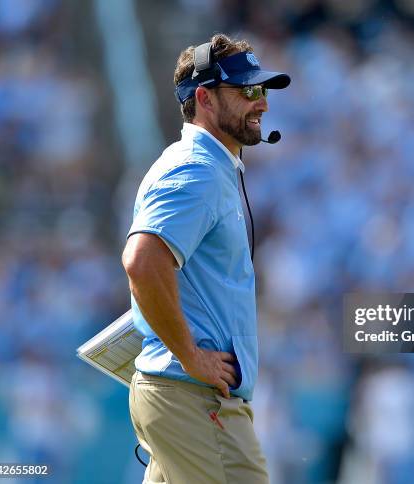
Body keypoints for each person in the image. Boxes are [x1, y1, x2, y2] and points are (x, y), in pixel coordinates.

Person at [122, 33, 290, 483]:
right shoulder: (196, 169)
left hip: (184, 399)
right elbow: (142, 261)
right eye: (248, 91)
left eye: (263, 91)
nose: (263, 104)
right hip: (194, 399)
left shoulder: (210, 168)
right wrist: (190, 355)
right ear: (204, 98)